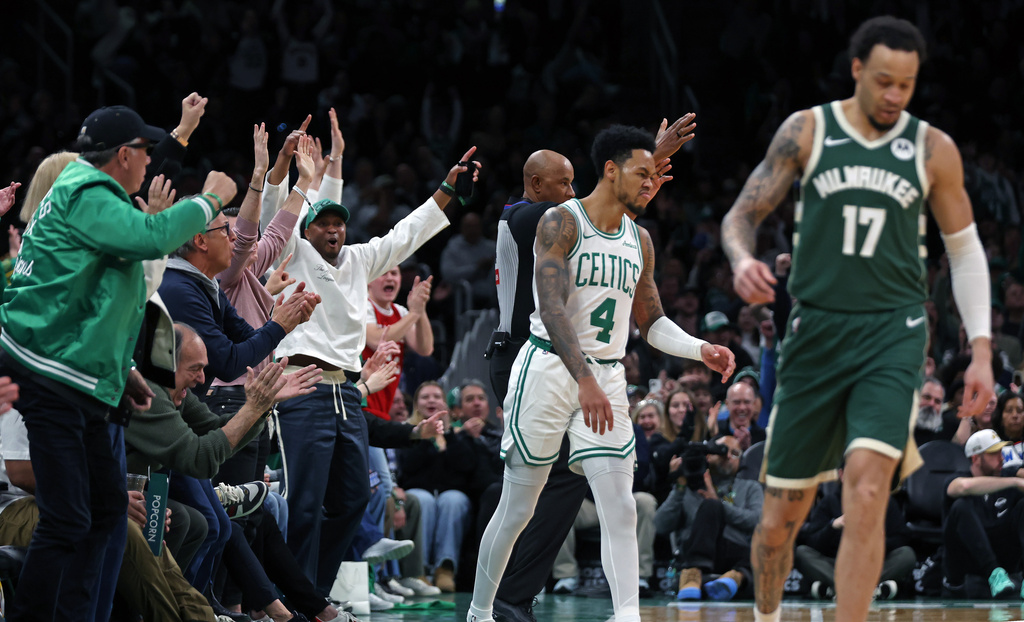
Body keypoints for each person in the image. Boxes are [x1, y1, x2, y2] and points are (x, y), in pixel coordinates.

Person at [720, 17, 994, 622]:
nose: (896, 96)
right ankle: (766, 616)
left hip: (891, 334)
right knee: (778, 520)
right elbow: (742, 213)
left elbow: (965, 249)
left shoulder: (931, 147)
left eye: (908, 84)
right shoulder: (808, 130)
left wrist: (980, 349)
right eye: (884, 82)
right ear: (857, 71)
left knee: (867, 493)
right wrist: (742, 260)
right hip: (815, 334)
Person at [469, 124, 734, 622]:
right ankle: (480, 612)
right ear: (610, 171)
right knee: (518, 509)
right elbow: (551, 308)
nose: (651, 185)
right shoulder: (558, 222)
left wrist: (701, 349)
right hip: (547, 367)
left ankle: (626, 615)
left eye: (653, 177)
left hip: (607, 377)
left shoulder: (642, 240)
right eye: (642, 175)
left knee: (621, 504)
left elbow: (651, 321)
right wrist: (584, 378)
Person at [0, 104, 236, 619]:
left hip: (82, 377)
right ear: (123, 155)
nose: (150, 161)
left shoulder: (85, 196)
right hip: (48, 376)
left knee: (106, 512)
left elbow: (89, 298)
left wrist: (121, 370)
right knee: (69, 518)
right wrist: (210, 198)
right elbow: (150, 238)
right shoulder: (84, 190)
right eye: (146, 151)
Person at [270, 146, 479, 593]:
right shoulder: (292, 254)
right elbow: (275, 216)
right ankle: (289, 597)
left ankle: (313, 594)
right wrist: (300, 177)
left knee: (354, 500)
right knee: (304, 503)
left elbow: (409, 233)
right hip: (301, 386)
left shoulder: (361, 259)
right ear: (306, 230)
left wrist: (447, 191)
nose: (333, 229)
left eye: (338, 222)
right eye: (323, 223)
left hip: (346, 392)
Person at [654, 436, 762, 602]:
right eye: (722, 451)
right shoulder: (690, 488)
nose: (727, 457)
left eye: (734, 453)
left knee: (761, 551)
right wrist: (679, 487)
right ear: (708, 456)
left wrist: (718, 503)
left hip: (735, 554)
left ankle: (731, 577)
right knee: (710, 507)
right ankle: (705, 575)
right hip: (696, 554)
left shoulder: (750, 487)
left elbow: (756, 521)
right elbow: (660, 525)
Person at [795, 465, 916, 601]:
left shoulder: (885, 501)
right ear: (841, 475)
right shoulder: (828, 502)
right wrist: (833, 526)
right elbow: (812, 542)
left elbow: (903, 537)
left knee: (907, 555)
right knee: (801, 553)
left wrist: (879, 541)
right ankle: (869, 589)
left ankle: (837, 589)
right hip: (837, 564)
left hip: (873, 565)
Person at [942, 429, 1024, 599]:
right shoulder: (956, 479)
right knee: (960, 506)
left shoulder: (1007, 473)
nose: (1001, 458)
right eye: (994, 454)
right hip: (968, 562)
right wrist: (1015, 482)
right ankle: (994, 573)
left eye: (1001, 452)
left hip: (1004, 555)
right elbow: (963, 487)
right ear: (975, 458)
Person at [913, 376, 960, 446]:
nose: (931, 404)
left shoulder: (948, 434)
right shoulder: (900, 427)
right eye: (927, 397)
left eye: (937, 401)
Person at [992, 390, 1024, 474]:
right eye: (1009, 411)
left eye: (1020, 410)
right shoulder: (993, 444)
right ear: (1000, 416)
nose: (1015, 415)